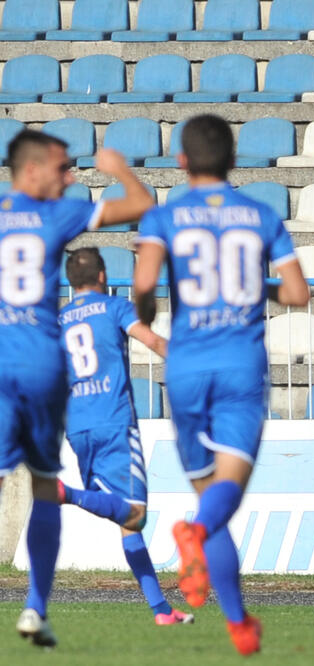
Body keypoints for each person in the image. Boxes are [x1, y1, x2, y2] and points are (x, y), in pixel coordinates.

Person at [131, 114, 309, 656]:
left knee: (211, 497)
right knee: (220, 503)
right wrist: (256, 290)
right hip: (238, 364)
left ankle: (237, 623)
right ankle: (194, 535)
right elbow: (299, 293)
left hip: (184, 367)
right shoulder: (259, 214)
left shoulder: (164, 217)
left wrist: (148, 307)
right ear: (234, 160)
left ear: (180, 161)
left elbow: (143, 287)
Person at [0, 130, 154, 647]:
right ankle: (35, 608)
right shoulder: (53, 216)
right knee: (45, 487)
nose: (69, 178)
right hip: (42, 366)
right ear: (33, 169)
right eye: (63, 169)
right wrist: (118, 168)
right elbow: (140, 204)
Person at [57, 247, 192, 626]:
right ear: (102, 276)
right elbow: (150, 340)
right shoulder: (113, 307)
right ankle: (64, 493)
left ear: (71, 280)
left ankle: (162, 611)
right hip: (114, 421)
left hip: (77, 426)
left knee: (123, 519)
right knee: (135, 513)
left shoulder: (60, 321)